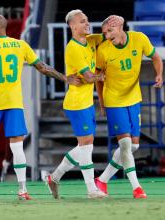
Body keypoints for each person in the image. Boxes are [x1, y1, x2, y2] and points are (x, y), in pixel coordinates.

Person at [0, 14, 81, 201]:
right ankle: (22, 190)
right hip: (13, 103)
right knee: (17, 147)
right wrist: (64, 78)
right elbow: (42, 67)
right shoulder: (21, 45)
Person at [45, 10, 123, 199]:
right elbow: (89, 77)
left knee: (84, 146)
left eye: (87, 20)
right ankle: (91, 189)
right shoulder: (73, 48)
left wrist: (120, 20)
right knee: (87, 146)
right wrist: (102, 76)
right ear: (72, 26)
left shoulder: (91, 40)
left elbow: (108, 31)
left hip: (86, 102)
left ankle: (54, 177)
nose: (87, 24)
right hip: (76, 104)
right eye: (82, 21)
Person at [94, 15, 163, 199]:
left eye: (110, 31)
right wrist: (101, 101)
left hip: (133, 98)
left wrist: (159, 75)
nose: (107, 36)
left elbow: (156, 57)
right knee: (124, 144)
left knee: (133, 146)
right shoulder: (103, 50)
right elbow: (98, 80)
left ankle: (102, 180)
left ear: (120, 26)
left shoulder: (139, 38)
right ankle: (136, 187)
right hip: (114, 100)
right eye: (104, 33)